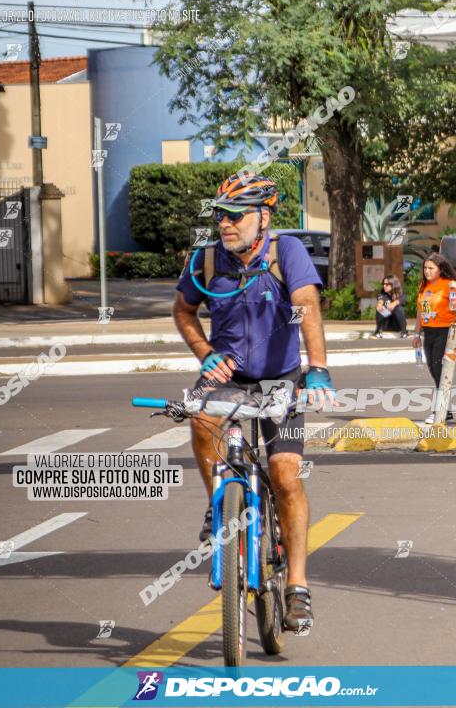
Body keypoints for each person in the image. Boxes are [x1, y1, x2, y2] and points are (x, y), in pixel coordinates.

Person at [173, 173, 333, 631]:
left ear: (262, 217)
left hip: (281, 378)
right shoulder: (206, 260)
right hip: (228, 377)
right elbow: (183, 310)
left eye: (234, 215)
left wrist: (317, 365)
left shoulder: (287, 253)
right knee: (200, 415)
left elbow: (306, 304)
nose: (224, 223)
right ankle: (216, 503)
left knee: (285, 477)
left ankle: (298, 586)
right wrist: (206, 355)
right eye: (220, 214)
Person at [412, 254, 456, 424]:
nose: (427, 271)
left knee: (439, 369)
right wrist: (416, 334)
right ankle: (445, 409)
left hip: (445, 330)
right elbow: (420, 312)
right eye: (425, 268)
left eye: (431, 268)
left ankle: (440, 410)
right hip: (429, 332)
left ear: (440, 270)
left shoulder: (449, 285)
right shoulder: (423, 286)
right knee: (434, 371)